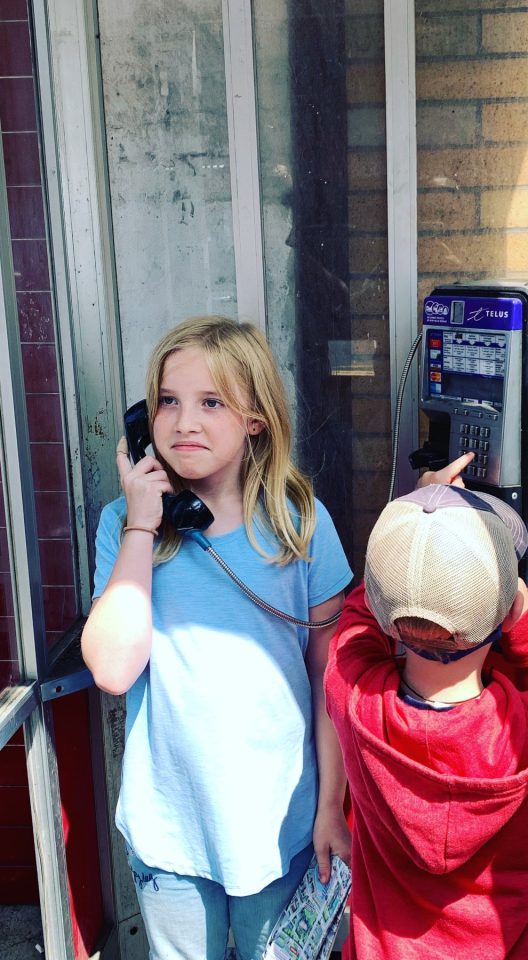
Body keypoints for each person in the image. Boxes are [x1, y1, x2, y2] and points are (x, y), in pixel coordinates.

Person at [81, 316, 353, 960]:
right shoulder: (124, 526)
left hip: (280, 823)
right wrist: (144, 526)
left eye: (211, 403)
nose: (183, 424)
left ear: (255, 418)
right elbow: (114, 670)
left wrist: (332, 806)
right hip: (173, 827)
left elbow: (332, 682)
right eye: (167, 402)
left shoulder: (299, 524)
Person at [324, 456, 528, 959]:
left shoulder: (355, 701)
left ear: (386, 615)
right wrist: (526, 621)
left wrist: (411, 535)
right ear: (508, 609)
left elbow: (355, 627)